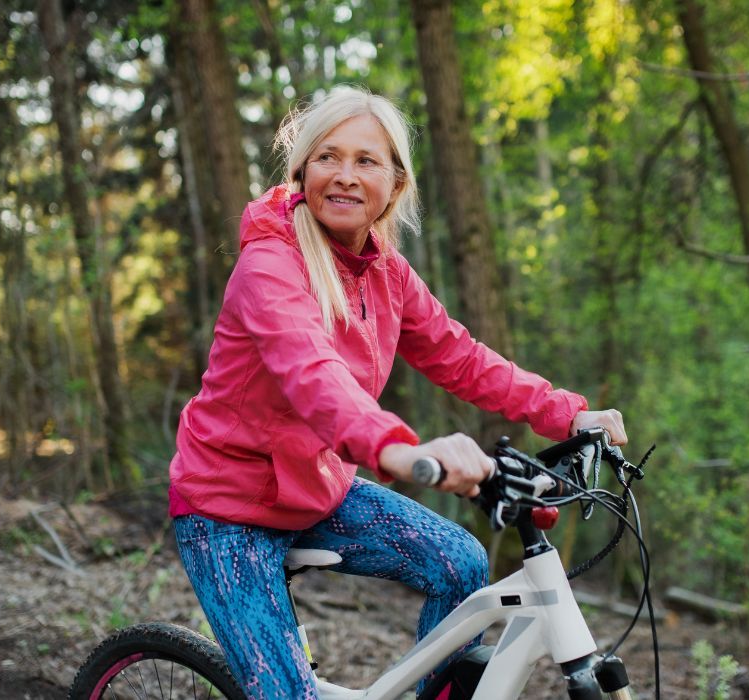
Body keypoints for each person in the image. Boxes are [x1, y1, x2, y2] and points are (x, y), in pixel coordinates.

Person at [169, 85, 627, 699]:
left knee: (460, 562)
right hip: (227, 508)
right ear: (302, 171)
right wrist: (397, 450)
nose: (345, 176)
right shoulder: (269, 265)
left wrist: (568, 414)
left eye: (366, 161)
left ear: (396, 185)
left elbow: (459, 356)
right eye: (328, 157)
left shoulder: (385, 271)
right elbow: (313, 375)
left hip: (316, 488)